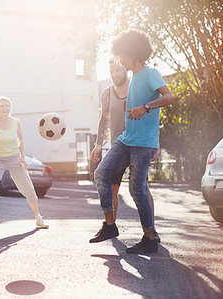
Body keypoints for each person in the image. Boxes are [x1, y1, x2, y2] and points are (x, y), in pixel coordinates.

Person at [89, 29, 174, 254]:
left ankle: (149, 236)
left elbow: (169, 97)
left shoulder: (150, 73)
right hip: (126, 139)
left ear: (133, 53)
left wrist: (145, 107)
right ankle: (109, 226)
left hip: (144, 143)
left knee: (137, 188)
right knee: (101, 174)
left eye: (123, 55)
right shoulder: (134, 77)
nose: (121, 60)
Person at [90, 58, 160, 242]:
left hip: (139, 144)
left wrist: (157, 145)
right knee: (111, 186)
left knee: (141, 187)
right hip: (118, 145)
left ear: (126, 70)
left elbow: (152, 113)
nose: (115, 74)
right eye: (112, 71)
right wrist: (98, 144)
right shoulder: (106, 93)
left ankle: (151, 231)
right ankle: (110, 226)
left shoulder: (136, 87)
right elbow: (104, 119)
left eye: (118, 70)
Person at [0, 96, 49, 229]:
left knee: (28, 188)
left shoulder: (16, 122)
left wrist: (22, 157)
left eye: (7, 105)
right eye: (2, 106)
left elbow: (21, 140)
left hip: (15, 159)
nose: (5, 108)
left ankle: (38, 218)